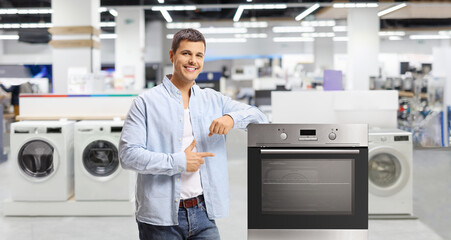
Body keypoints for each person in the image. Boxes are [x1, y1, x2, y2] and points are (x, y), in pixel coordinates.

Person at [119, 28, 267, 240]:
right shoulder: (145, 103)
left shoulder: (213, 100)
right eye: (186, 53)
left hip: (203, 213)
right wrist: (178, 162)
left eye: (199, 55)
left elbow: (260, 117)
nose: (193, 61)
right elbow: (128, 155)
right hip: (160, 218)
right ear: (172, 56)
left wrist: (231, 119)